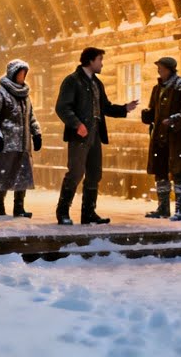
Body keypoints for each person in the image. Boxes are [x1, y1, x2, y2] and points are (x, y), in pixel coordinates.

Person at [54, 47, 138, 226]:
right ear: (91, 61)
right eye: (100, 59)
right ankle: (62, 212)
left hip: (96, 134)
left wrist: (124, 108)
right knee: (76, 173)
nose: (102, 63)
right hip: (79, 136)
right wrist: (77, 124)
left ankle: (89, 213)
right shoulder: (72, 81)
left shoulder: (97, 83)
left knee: (94, 174)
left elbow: (105, 107)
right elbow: (62, 107)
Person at [141, 57, 181, 221]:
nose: (158, 70)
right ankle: (163, 208)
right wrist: (147, 115)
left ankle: (180, 210)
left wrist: (174, 120)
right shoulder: (157, 88)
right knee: (160, 172)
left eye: (160, 67)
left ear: (169, 69)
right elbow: (154, 110)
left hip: (177, 137)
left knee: (179, 172)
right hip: (160, 136)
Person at [0, 60, 42, 218]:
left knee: (22, 175)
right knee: (5, 174)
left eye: (24, 73)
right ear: (13, 74)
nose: (22, 76)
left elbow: (31, 117)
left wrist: (36, 133)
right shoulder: (0, 93)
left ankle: (19, 207)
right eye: (20, 73)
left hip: (23, 143)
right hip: (7, 143)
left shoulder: (25, 95)